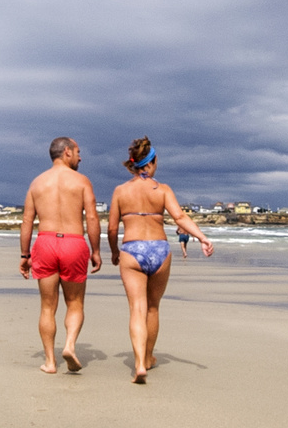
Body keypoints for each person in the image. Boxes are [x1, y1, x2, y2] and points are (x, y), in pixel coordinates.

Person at [108, 137, 213, 384]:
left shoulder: (120, 191)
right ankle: (148, 357)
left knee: (137, 308)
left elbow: (112, 228)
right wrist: (203, 238)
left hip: (132, 250)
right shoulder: (163, 190)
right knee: (153, 307)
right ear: (152, 162)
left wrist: (114, 252)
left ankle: (138, 365)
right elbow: (180, 217)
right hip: (159, 250)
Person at [20, 137, 101, 374]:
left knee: (47, 306)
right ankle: (69, 346)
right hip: (73, 243)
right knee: (74, 303)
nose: (80, 157)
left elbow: (27, 221)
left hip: (45, 243)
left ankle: (50, 361)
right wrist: (95, 251)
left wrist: (25, 254)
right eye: (78, 152)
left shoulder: (36, 183)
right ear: (67, 152)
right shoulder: (81, 181)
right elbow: (92, 218)